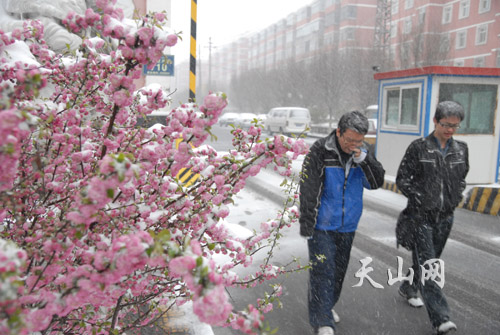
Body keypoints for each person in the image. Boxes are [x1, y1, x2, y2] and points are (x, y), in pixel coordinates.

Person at [299, 111, 385, 335]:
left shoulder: (363, 153)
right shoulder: (320, 150)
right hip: (322, 224)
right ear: (338, 132)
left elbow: (376, 182)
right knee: (323, 270)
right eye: (349, 140)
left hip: (348, 225)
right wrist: (307, 222)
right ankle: (322, 321)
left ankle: (326, 307)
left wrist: (365, 161)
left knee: (338, 272)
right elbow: (308, 189)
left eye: (358, 141)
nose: (353, 145)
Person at [395, 101, 469, 335]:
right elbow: (402, 179)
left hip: (446, 217)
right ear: (435, 121)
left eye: (455, 126)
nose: (450, 130)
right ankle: (441, 318)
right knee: (430, 265)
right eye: (446, 124)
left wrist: (456, 196)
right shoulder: (418, 148)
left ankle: (408, 286)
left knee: (428, 259)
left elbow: (462, 177)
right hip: (421, 217)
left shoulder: (461, 149)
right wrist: (419, 198)